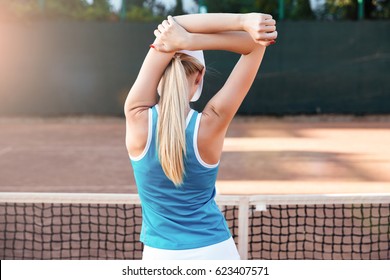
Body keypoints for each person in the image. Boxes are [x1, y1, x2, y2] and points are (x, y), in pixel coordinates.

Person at [124, 13, 277, 260]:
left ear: (159, 77)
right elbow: (255, 45)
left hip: (159, 258)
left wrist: (182, 37)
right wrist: (191, 39)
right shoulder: (211, 123)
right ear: (199, 76)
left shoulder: (136, 116)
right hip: (216, 253)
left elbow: (172, 25)